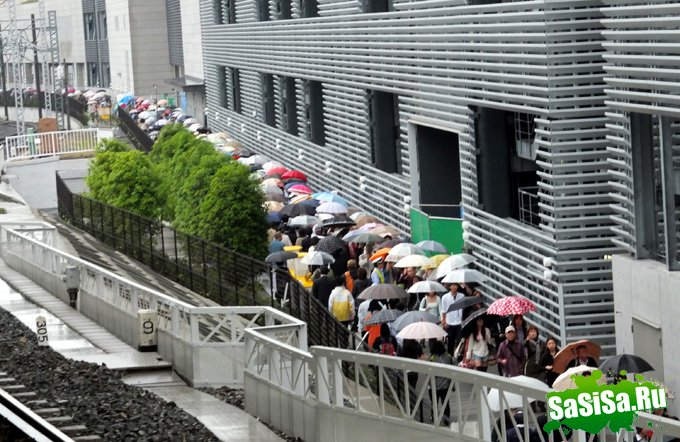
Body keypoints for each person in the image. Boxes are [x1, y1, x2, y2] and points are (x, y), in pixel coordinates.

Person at [429, 340, 453, 424]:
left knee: (434, 403)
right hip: (445, 384)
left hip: (434, 385)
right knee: (445, 403)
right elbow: (453, 368)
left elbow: (427, 372)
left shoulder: (431, 358)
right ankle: (446, 420)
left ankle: (433, 417)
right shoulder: (448, 356)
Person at [440, 283, 465, 355]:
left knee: (460, 340)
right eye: (452, 285)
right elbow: (444, 310)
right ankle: (450, 356)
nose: (454, 287)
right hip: (449, 321)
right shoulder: (445, 297)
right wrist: (444, 321)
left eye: (456, 285)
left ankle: (459, 355)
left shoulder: (461, 296)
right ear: (450, 286)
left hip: (459, 321)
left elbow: (463, 308)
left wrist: (462, 318)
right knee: (450, 341)